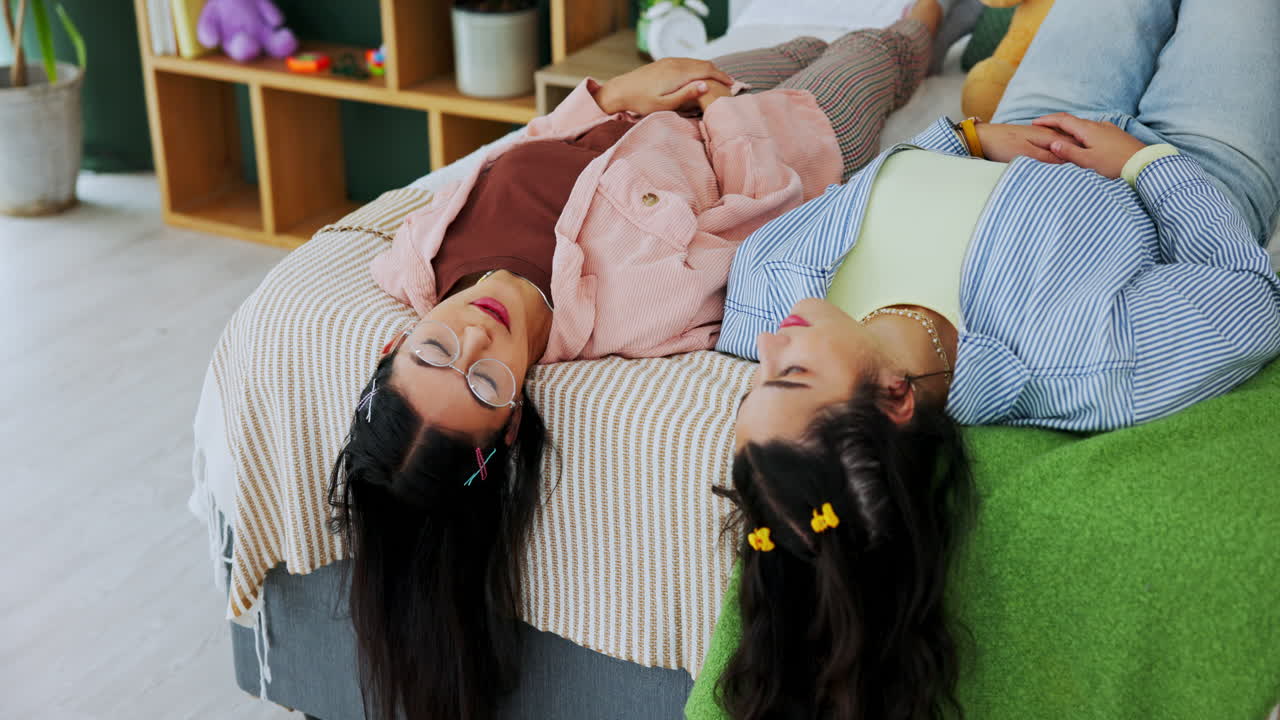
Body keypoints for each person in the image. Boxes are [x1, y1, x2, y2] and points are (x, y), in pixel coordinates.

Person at [326, 2, 968, 717]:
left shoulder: (416, 251)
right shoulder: (639, 309)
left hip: (659, 101)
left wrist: (613, 94)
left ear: (395, 344)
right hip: (776, 130)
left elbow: (525, 149)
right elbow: (767, 219)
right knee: (880, 50)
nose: (473, 337)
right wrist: (727, 115)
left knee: (807, 38)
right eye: (482, 379)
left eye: (435, 350)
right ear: (510, 422)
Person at [712, 0, 1280, 718]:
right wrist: (1146, 165)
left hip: (1033, 118)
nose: (766, 347)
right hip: (1197, 153)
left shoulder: (772, 290)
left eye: (755, 382)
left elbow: (883, 183)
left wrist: (974, 138)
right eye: (790, 374)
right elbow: (1243, 293)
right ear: (894, 397)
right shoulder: (1083, 366)